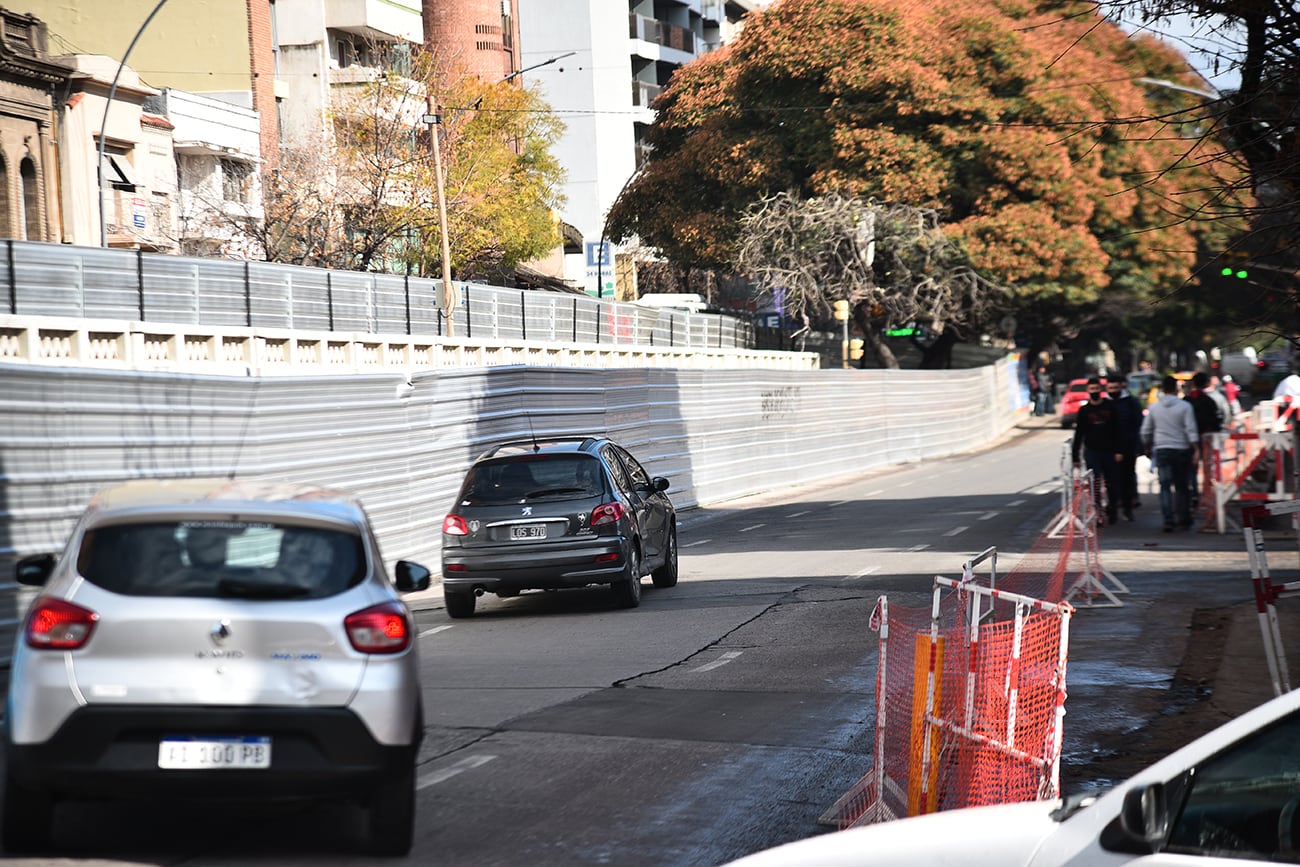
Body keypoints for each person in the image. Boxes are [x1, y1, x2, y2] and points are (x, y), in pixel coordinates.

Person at [1141, 375, 1199, 532]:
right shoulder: (1185, 407)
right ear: (1176, 389)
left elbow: (1146, 431)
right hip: (1181, 450)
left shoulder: (1154, 408)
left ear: (1163, 389)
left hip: (1162, 449)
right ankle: (1183, 518)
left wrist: (1147, 446)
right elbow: (1191, 430)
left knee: (1165, 486)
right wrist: (1196, 449)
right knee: (1182, 486)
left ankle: (1168, 519)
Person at [1071, 376, 1125, 525]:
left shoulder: (1110, 407)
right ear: (1088, 391)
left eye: (1096, 389)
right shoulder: (1084, 410)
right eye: (1091, 389)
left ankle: (1112, 509)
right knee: (1095, 483)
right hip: (1092, 451)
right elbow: (1079, 434)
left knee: (1112, 483)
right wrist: (1075, 456)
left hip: (1110, 451)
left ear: (1101, 390)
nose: (1094, 392)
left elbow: (1118, 430)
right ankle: (1098, 512)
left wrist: (1119, 450)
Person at [1183, 371, 1223, 512]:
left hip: (1188, 440)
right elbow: (1216, 421)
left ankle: (1193, 494)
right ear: (1206, 384)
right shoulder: (1209, 401)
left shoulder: (1186, 401)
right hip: (1206, 440)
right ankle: (1207, 496)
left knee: (1191, 469)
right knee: (1207, 469)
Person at [1105, 373, 1143, 519]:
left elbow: (1138, 424)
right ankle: (1113, 505)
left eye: (1116, 387)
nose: (1114, 390)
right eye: (1111, 388)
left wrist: (1138, 447)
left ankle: (1128, 505)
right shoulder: (1105, 403)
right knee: (1111, 478)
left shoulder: (1130, 402)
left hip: (1128, 446)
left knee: (1127, 476)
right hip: (1109, 448)